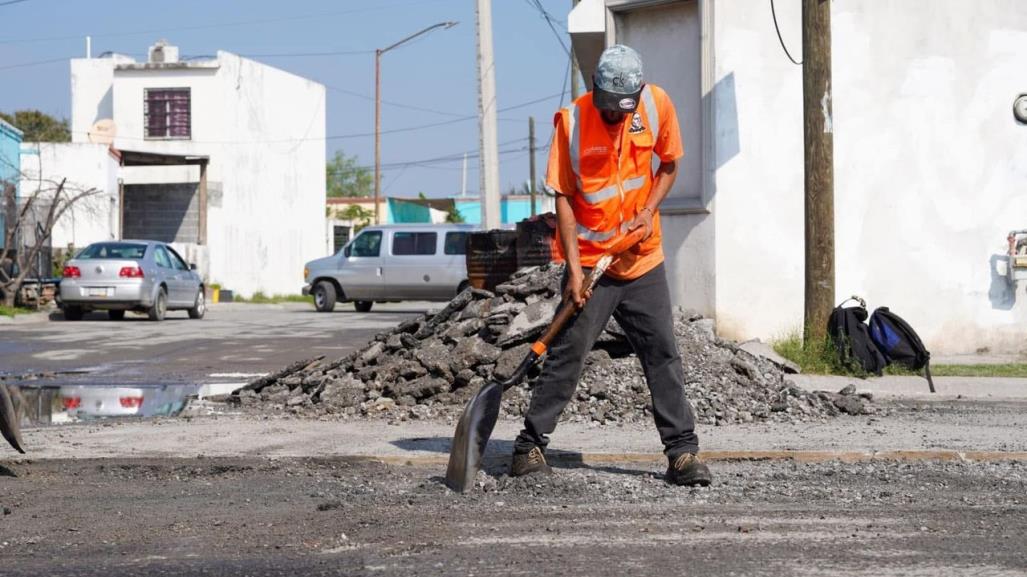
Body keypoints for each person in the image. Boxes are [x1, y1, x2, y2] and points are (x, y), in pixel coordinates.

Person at [511, 45, 711, 487]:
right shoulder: (573, 122)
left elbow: (670, 164)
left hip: (641, 259)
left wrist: (649, 210)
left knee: (662, 354)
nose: (616, 117)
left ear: (636, 95)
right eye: (609, 108)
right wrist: (575, 271)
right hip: (590, 264)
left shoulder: (656, 105)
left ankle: (682, 454)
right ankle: (528, 447)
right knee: (567, 357)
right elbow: (562, 196)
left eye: (624, 109)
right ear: (594, 90)